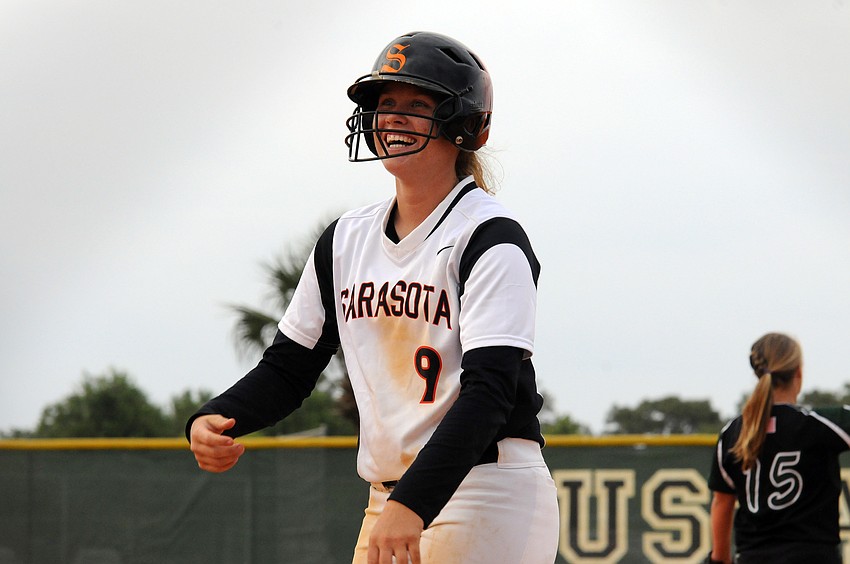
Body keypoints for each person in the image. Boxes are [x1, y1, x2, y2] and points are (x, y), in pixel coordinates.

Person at [187, 31, 560, 564]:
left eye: (417, 105)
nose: (393, 118)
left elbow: (490, 392)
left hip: (486, 487)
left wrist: (413, 503)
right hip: (392, 497)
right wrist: (217, 416)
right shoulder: (345, 239)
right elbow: (290, 367)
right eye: (384, 105)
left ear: (462, 123)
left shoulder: (491, 238)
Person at [706, 332, 850, 564]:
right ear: (799, 374)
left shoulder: (733, 433)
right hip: (814, 557)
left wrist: (719, 559)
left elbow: (722, 503)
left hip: (755, 557)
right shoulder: (820, 425)